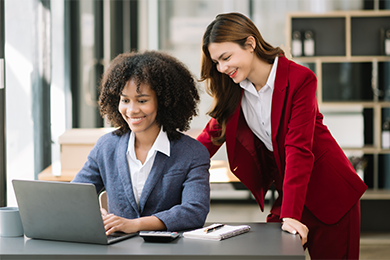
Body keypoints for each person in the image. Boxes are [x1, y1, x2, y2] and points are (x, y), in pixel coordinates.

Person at [197, 12, 367, 260]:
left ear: (250, 43)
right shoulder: (235, 91)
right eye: (216, 63)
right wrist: (165, 161)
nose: (222, 68)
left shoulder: (299, 79)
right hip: (291, 193)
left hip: (331, 192)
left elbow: (298, 149)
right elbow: (208, 139)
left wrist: (291, 214)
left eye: (226, 58)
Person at [72, 50, 211, 235]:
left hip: (170, 251)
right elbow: (75, 194)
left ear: (163, 102)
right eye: (125, 100)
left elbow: (194, 211)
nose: (132, 110)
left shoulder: (192, 152)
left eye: (142, 100)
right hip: (118, 250)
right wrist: (92, 211)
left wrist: (136, 224)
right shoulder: (106, 147)